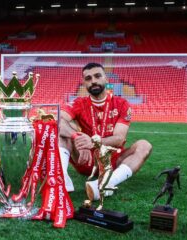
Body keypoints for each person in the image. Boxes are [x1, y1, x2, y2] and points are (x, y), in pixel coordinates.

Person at [59, 62, 152, 201]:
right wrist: (76, 137)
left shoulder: (121, 104)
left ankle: (107, 182)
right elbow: (58, 121)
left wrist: (92, 141)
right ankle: (61, 178)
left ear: (106, 79)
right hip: (84, 158)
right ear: (84, 83)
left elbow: (119, 138)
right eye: (88, 78)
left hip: (112, 162)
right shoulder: (79, 103)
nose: (93, 81)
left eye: (97, 76)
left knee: (144, 145)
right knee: (62, 133)